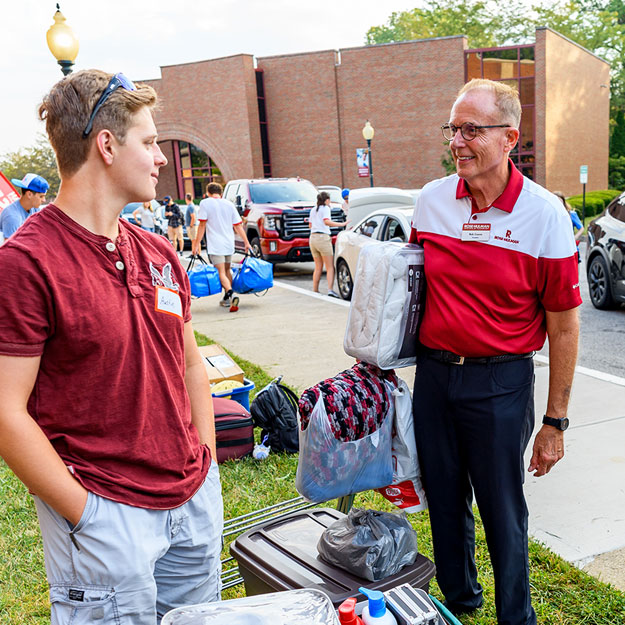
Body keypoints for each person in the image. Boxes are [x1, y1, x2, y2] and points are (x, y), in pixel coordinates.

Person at [0, 69, 223, 624]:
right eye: (148, 143)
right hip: (106, 517)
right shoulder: (26, 263)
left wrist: (208, 466)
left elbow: (190, 364)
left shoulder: (159, 253)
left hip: (191, 504)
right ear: (106, 145)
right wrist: (87, 516)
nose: (161, 157)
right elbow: (5, 410)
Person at [410, 79, 581, 625]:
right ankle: (459, 603)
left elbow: (564, 323)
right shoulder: (431, 201)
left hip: (501, 383)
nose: (457, 141)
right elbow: (407, 294)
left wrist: (555, 420)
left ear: (510, 138)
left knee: (502, 509)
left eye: (471, 130)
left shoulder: (545, 214)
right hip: (435, 379)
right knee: (442, 498)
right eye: (453, 129)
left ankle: (516, 617)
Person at [194, 182, 251, 311]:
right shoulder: (229, 204)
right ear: (220, 192)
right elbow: (238, 225)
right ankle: (227, 299)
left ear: (208, 193)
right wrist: (246, 243)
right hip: (228, 244)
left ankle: (230, 292)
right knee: (227, 270)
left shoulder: (205, 203)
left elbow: (202, 225)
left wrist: (196, 244)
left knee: (220, 272)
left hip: (215, 245)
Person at [308, 191, 347, 297]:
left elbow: (310, 225)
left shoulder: (313, 210)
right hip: (323, 238)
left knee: (318, 266)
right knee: (330, 266)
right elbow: (326, 221)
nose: (330, 201)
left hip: (313, 238)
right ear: (326, 200)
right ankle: (330, 290)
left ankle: (315, 289)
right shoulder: (325, 208)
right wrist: (342, 224)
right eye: (329, 199)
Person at [0, 173, 49, 241]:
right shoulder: (12, 217)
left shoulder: (35, 208)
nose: (44, 200)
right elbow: (10, 249)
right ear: (29, 194)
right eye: (41, 196)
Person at [554, 191, 583, 264]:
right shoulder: (550, 215)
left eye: (560, 202)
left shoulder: (571, 214)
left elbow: (581, 228)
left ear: (563, 202)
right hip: (556, 250)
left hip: (571, 249)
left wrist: (574, 238)